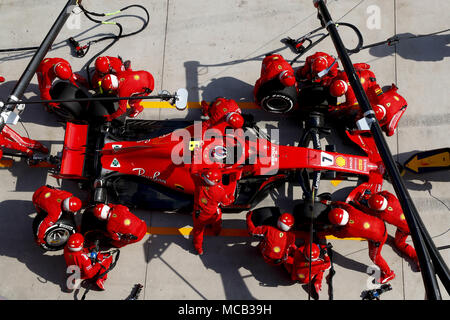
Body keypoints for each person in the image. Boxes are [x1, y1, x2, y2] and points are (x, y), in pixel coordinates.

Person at [324, 200, 395, 284]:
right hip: (379, 224)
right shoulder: (350, 210)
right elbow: (344, 204)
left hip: (379, 238)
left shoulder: (348, 230)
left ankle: (388, 274)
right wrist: (331, 202)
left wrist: (327, 228)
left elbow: (337, 234)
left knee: (375, 257)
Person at [358, 191, 419, 268]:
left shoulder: (383, 215)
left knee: (399, 243)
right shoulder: (391, 198)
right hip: (411, 218)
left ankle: (416, 257)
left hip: (406, 229)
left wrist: (361, 203)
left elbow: (370, 212)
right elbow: (384, 193)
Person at [190, 167, 235, 255]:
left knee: (198, 232)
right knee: (217, 221)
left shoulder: (199, 183)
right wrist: (232, 198)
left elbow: (193, 171)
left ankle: (199, 248)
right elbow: (225, 203)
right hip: (213, 214)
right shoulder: (220, 191)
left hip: (199, 215)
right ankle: (216, 232)